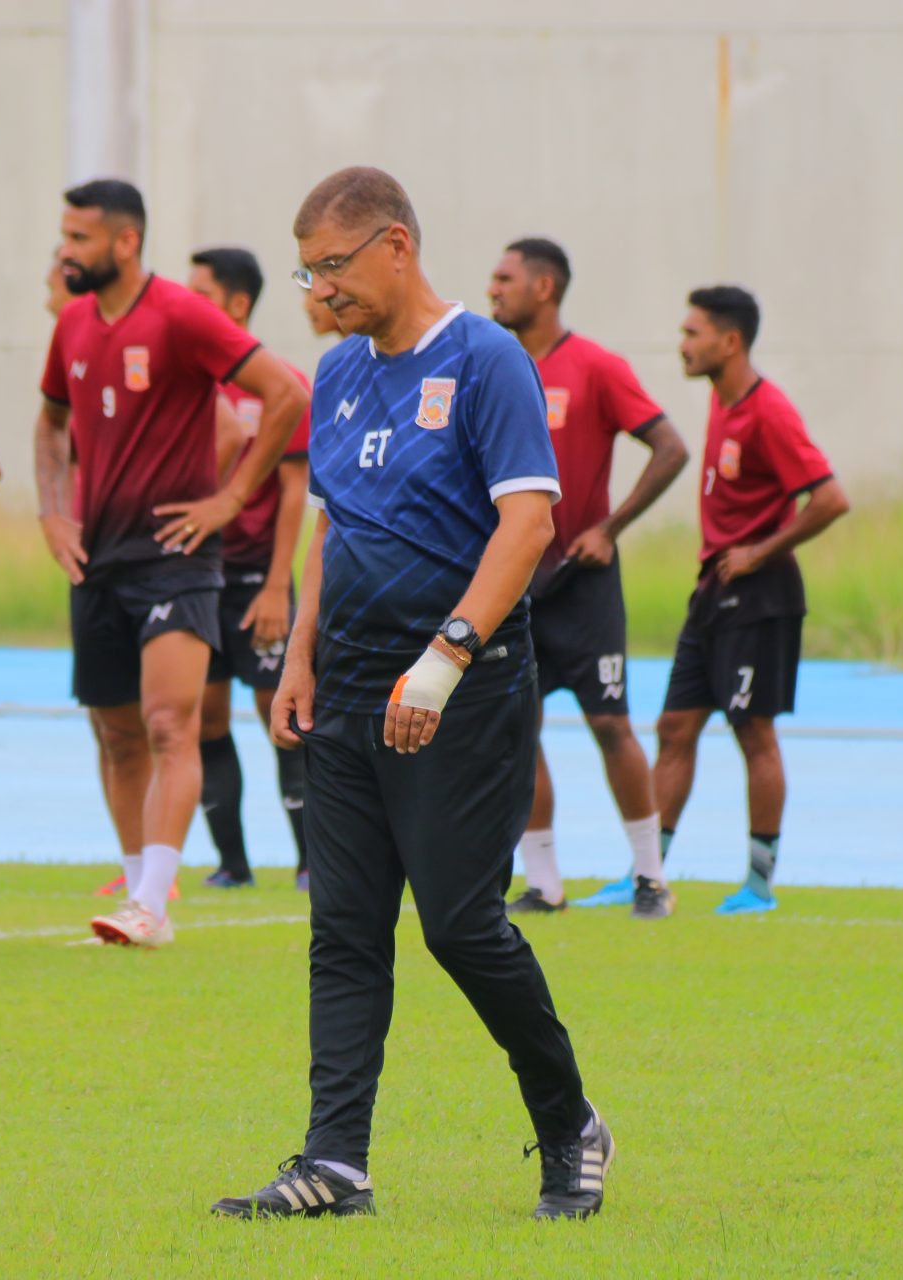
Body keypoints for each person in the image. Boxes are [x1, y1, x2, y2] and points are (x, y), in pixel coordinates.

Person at [213, 167, 610, 1222]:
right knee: (342, 926)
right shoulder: (339, 375)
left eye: (333, 265)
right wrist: (300, 655)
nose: (321, 288)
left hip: (460, 685)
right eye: (309, 269)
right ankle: (335, 1161)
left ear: (396, 246)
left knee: (460, 923)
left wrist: (443, 661)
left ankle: (570, 1122)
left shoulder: (487, 361)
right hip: (344, 682)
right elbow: (333, 525)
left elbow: (527, 524)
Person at [34, 180, 308, 947]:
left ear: (125, 242)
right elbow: (50, 426)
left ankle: (153, 904)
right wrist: (53, 511)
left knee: (168, 723)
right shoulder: (73, 326)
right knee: (116, 734)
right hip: (98, 559)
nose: (66, 251)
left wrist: (229, 500)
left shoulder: (184, 315)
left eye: (80, 238)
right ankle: (135, 894)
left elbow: (282, 393)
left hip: (178, 560)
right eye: (64, 236)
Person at [488, 238, 688, 919]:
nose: (493, 289)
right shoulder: (489, 365)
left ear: (544, 288)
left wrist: (611, 527)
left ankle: (651, 876)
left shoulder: (596, 367)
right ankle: (544, 884)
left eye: (505, 278)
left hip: (584, 580)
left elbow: (670, 446)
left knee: (610, 724)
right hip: (512, 581)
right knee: (518, 730)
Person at [653, 286, 850, 916]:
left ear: (729, 341)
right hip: (713, 590)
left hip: (760, 593)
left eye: (692, 333)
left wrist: (759, 552)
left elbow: (830, 498)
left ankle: (760, 884)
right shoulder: (722, 401)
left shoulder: (769, 411)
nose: (682, 345)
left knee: (752, 732)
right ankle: (647, 873)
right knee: (675, 725)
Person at [185, 246, 314, 891]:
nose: (186, 306)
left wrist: (274, 589)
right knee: (204, 719)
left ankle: (310, 861)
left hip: (256, 579)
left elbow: (295, 491)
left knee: (282, 717)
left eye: (200, 295)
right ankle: (232, 864)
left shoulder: (278, 381)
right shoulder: (185, 383)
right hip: (195, 577)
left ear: (237, 305)